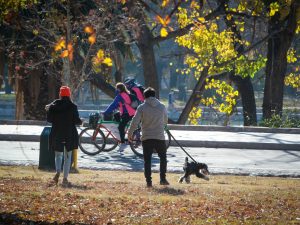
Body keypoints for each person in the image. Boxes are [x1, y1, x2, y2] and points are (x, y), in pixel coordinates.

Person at [128, 87, 169, 187]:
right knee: (163, 158)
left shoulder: (142, 107)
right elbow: (165, 121)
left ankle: (149, 182)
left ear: (144, 96)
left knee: (147, 160)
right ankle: (163, 179)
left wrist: (130, 133)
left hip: (147, 137)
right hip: (159, 137)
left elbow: (135, 122)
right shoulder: (162, 106)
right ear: (154, 95)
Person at [45, 86, 82, 187]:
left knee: (58, 155)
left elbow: (50, 120)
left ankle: (57, 172)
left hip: (57, 133)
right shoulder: (73, 106)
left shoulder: (53, 105)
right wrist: (81, 121)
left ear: (60, 94)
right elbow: (76, 120)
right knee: (67, 157)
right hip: (69, 134)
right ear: (69, 94)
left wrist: (48, 110)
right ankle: (65, 178)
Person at [103, 82, 136, 151]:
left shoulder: (120, 96)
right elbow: (118, 105)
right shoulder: (126, 94)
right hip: (129, 112)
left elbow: (113, 104)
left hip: (128, 113)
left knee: (121, 126)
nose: (116, 90)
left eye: (117, 88)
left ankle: (123, 143)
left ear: (119, 89)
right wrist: (111, 110)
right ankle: (121, 134)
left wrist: (106, 112)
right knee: (116, 115)